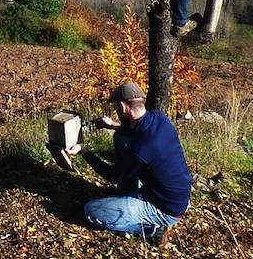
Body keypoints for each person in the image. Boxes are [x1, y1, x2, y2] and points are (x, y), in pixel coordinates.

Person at [66, 83, 192, 247]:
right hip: (179, 195)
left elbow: (113, 176)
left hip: (165, 208)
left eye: (117, 108)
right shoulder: (159, 118)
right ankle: (132, 196)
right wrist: (111, 125)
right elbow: (134, 131)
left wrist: (83, 152)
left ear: (123, 106)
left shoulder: (142, 149)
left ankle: (152, 230)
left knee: (92, 211)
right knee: (120, 138)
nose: (117, 112)